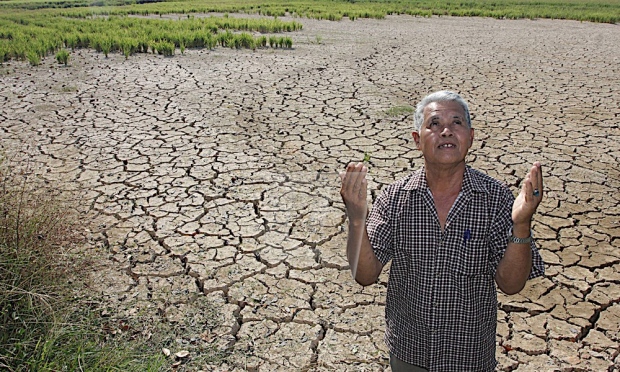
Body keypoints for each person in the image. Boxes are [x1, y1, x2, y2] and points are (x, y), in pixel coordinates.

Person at [339, 90, 545, 371]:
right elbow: (365, 275)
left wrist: (521, 223)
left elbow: (511, 285)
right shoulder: (396, 198)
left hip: (469, 357)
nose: (446, 131)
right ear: (417, 140)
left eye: (456, 123)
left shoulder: (495, 198)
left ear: (470, 137)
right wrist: (356, 217)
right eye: (434, 124)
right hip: (408, 353)